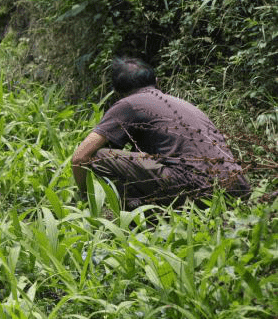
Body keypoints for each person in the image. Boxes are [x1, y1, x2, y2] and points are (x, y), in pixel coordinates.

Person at [70, 57, 251, 209]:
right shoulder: (184, 104)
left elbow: (80, 157)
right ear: (157, 82)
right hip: (238, 188)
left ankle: (138, 216)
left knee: (99, 156)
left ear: (117, 93)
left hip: (197, 188)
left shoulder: (127, 104)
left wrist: (85, 198)